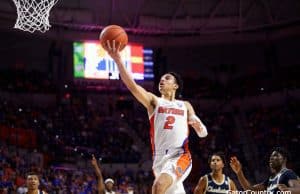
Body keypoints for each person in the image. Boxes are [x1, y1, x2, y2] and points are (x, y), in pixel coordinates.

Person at [105, 41, 208, 194]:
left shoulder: (185, 105)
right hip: (159, 161)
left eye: (167, 78)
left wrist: (198, 126)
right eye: (161, 79)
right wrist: (118, 60)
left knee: (158, 187)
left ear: (175, 86)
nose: (162, 80)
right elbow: (133, 86)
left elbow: (203, 133)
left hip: (180, 156)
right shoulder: (154, 102)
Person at [230, 147, 298, 194]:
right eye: (271, 156)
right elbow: (250, 190)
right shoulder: (269, 180)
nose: (271, 158)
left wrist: (288, 190)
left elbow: (298, 189)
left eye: (275, 156)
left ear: (284, 160)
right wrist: (239, 173)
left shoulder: (287, 173)